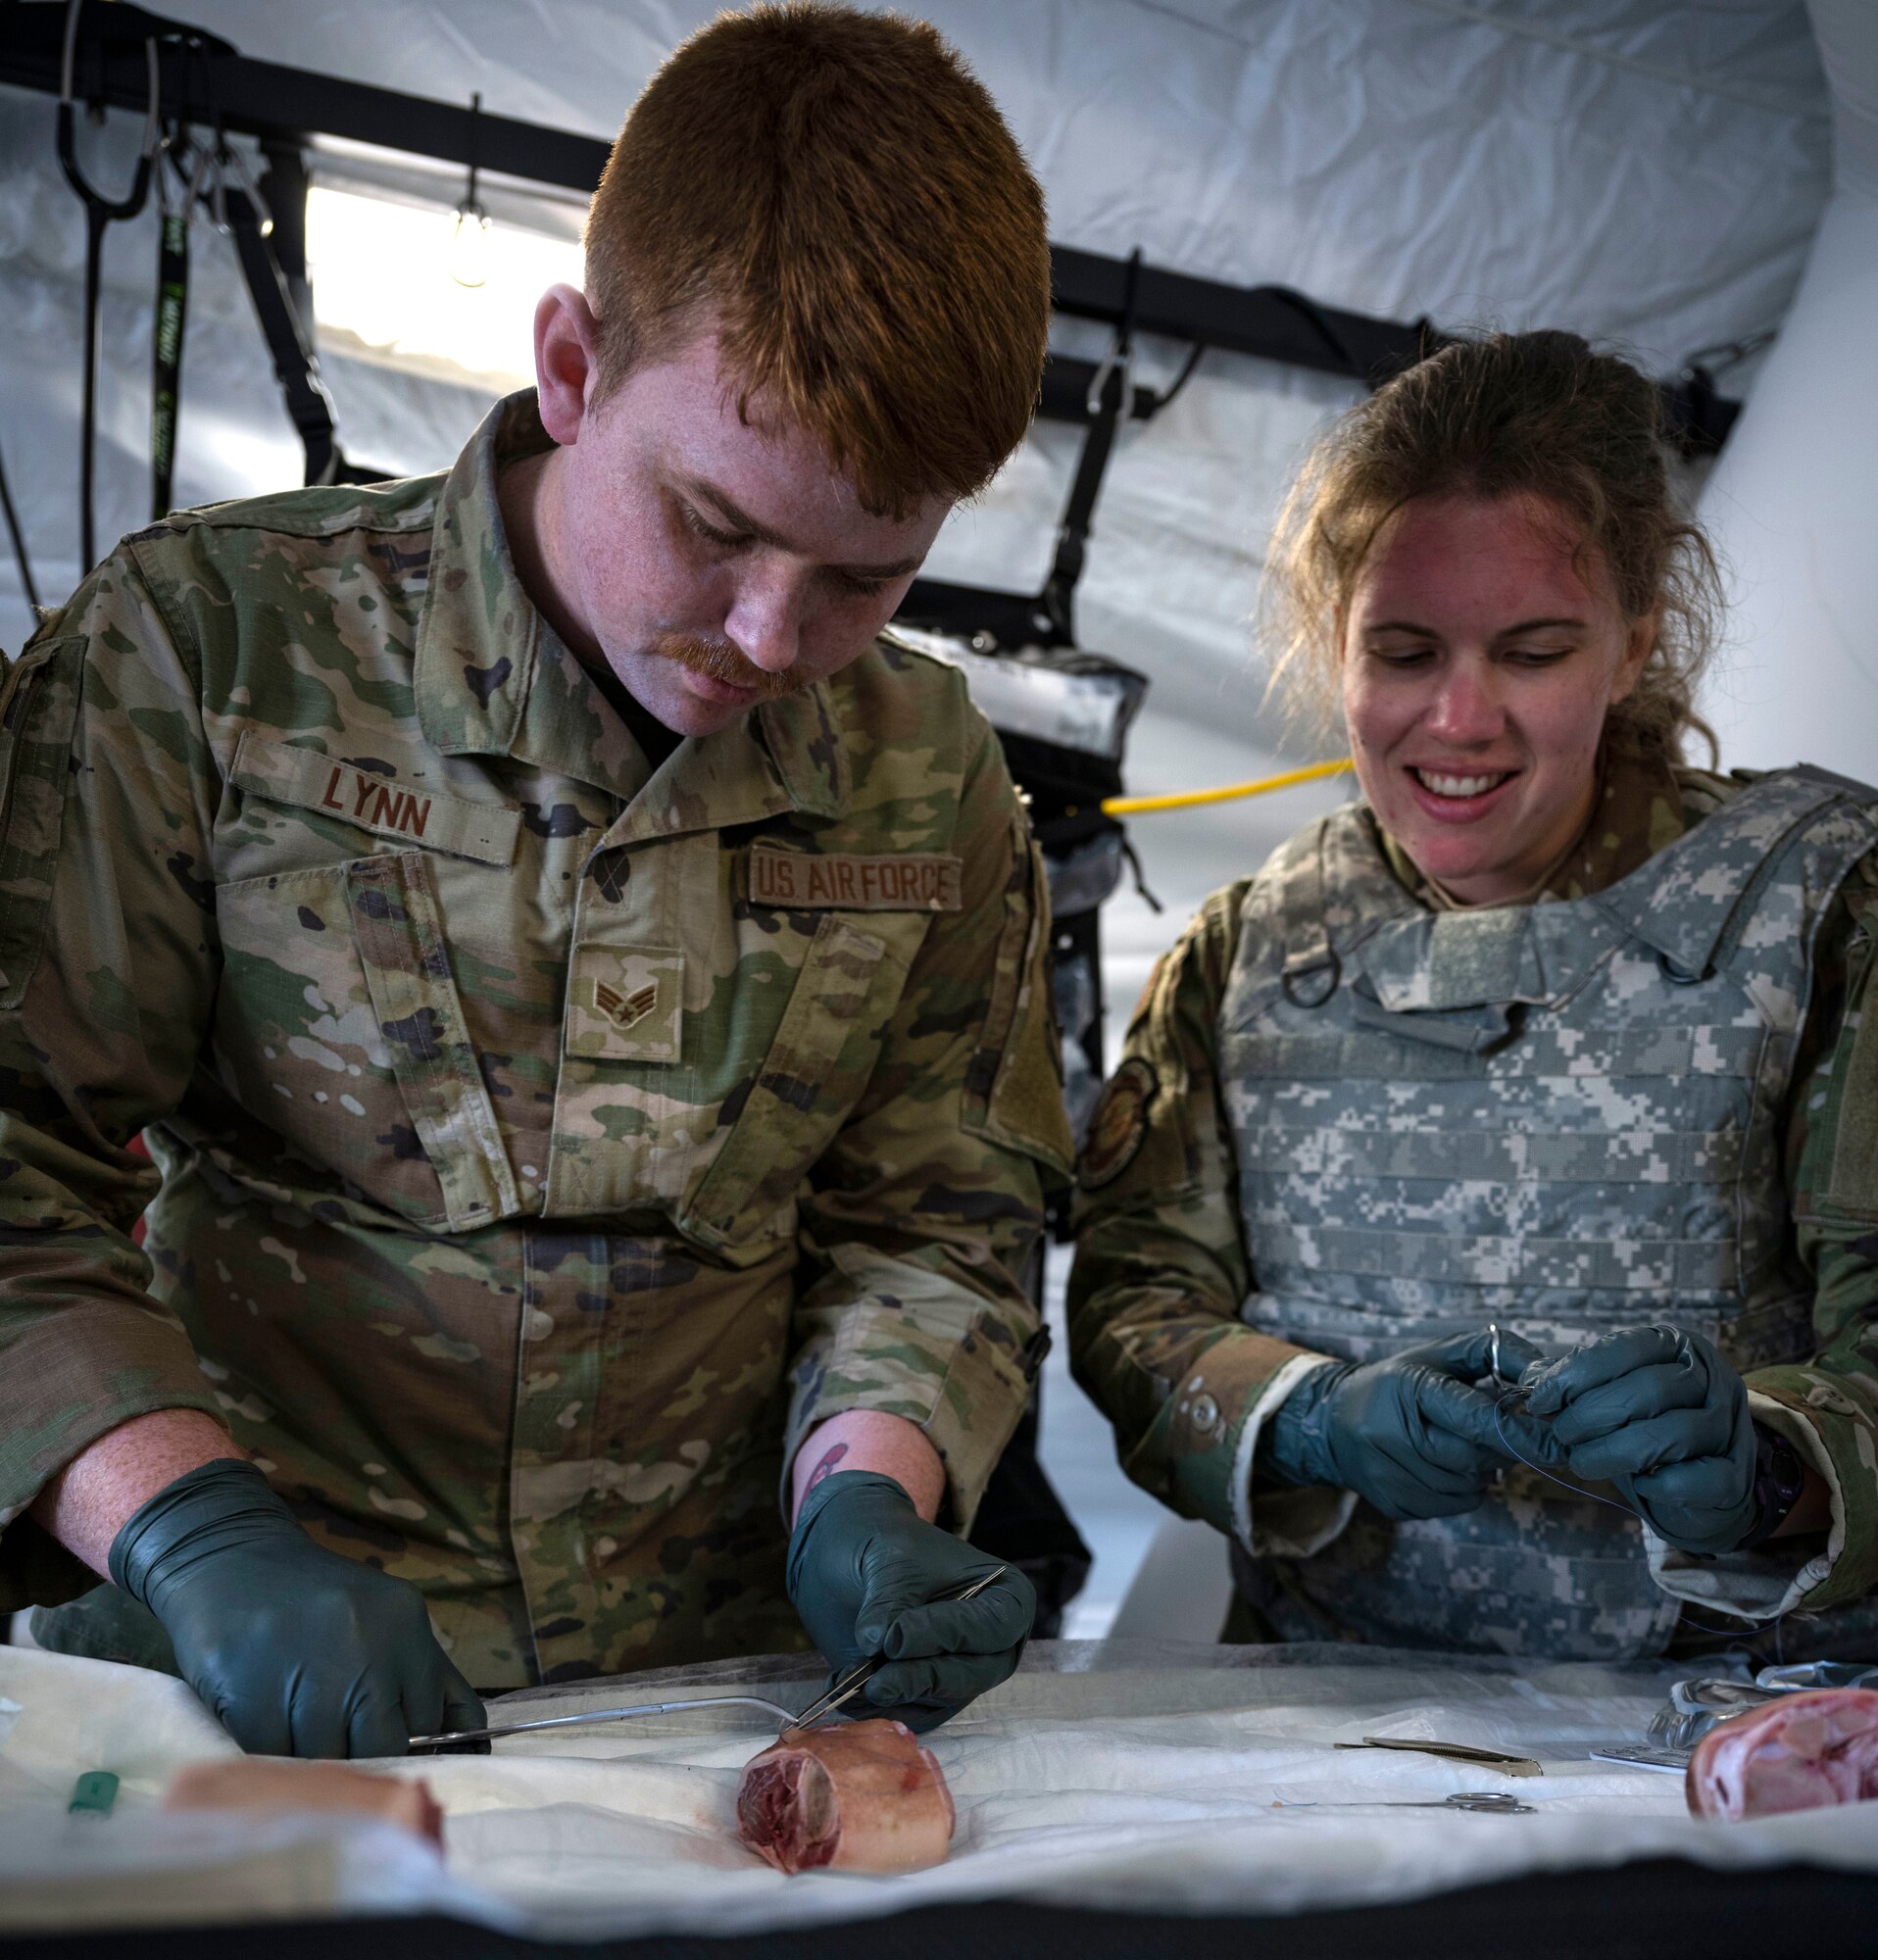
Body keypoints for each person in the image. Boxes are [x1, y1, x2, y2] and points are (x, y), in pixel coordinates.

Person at [0, 4, 1072, 1757]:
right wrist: (194, 1542)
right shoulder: (213, 655)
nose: (769, 638)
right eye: (717, 527)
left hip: (711, 1719)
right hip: (236, 1684)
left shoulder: (925, 773)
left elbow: (929, 1220)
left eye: (866, 577)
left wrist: (871, 1488)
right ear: (572, 369)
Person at [1069, 330, 1878, 1661]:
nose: (1459, 721)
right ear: (1335, 644)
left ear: (1637, 645)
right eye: (1401, 653)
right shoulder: (1249, 950)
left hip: (1722, 1759)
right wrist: (1304, 1419)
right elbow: (1130, 1312)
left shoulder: (1821, 913)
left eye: (1533, 651)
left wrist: (1784, 1471)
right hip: (1332, 1740)